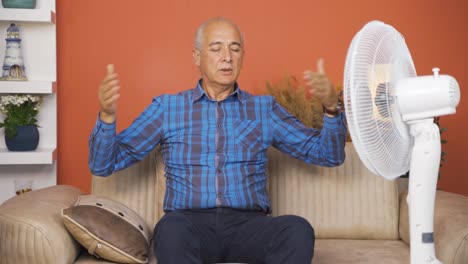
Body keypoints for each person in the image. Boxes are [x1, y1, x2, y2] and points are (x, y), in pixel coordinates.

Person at [89, 17, 347, 264]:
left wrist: (332, 109)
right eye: (216, 48)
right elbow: (103, 164)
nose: (227, 57)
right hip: (189, 224)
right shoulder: (167, 108)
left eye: (235, 49)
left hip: (249, 226)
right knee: (170, 231)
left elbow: (328, 155)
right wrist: (107, 116)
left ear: (242, 57)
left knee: (297, 229)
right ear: (197, 57)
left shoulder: (263, 109)